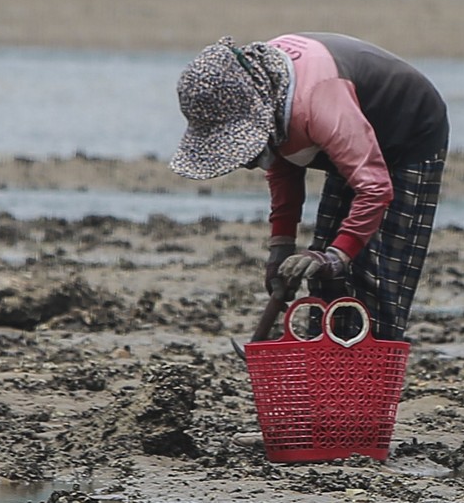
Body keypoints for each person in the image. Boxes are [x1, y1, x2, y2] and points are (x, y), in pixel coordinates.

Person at [169, 32, 449, 342]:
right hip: (354, 141)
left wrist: (337, 256)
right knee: (323, 275)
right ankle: (327, 371)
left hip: (409, 135)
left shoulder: (318, 100)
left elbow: (374, 189)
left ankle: (367, 378)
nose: (245, 163)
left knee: (375, 277)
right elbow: (282, 170)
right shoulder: (267, 90)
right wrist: (281, 247)